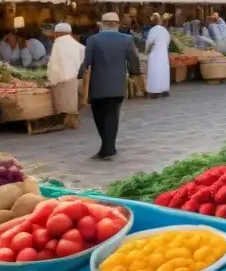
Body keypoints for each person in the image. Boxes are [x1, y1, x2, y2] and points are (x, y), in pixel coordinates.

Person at [78, 12, 141, 160]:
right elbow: (134, 59)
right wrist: (134, 73)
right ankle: (107, 147)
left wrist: (79, 75)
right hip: (117, 85)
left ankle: (108, 147)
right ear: (118, 24)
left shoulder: (93, 40)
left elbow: (87, 62)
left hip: (98, 86)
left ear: (102, 24)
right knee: (112, 115)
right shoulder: (127, 39)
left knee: (99, 116)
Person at [47, 23, 85, 129]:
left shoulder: (58, 44)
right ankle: (72, 118)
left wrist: (50, 77)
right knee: (75, 99)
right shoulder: (76, 44)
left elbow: (53, 64)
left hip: (63, 79)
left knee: (64, 98)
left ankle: (68, 119)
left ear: (58, 34)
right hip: (78, 78)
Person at [144, 13, 171, 99]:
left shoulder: (152, 31)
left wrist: (146, 51)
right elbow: (168, 41)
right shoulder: (165, 30)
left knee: (154, 72)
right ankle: (164, 90)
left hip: (154, 55)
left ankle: (154, 91)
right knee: (163, 72)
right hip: (163, 54)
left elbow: (148, 43)